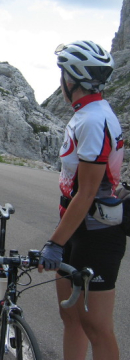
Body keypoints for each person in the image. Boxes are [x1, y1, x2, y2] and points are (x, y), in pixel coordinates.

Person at [38, 40, 126, 360]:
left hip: (98, 234)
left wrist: (54, 243)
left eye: (63, 74)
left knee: (96, 326)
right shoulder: (86, 114)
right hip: (76, 228)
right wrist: (62, 237)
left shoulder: (93, 120)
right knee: (71, 316)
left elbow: (87, 192)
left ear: (71, 79)